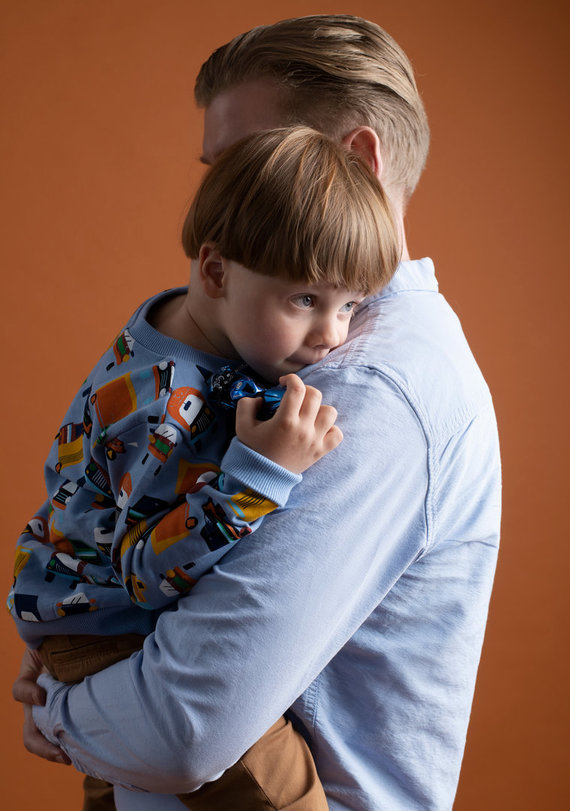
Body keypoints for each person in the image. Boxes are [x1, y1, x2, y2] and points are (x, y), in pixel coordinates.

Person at [13, 14, 501, 811]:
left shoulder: (359, 387)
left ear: (356, 165)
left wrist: (67, 711)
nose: (215, 205)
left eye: (244, 164)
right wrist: (82, 628)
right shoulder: (245, 355)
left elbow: (185, 728)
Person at [9, 125, 399, 810]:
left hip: (82, 603)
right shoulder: (169, 405)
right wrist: (259, 475)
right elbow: (144, 572)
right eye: (306, 300)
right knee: (280, 784)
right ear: (216, 272)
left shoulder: (182, 319)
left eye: (351, 305)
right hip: (106, 621)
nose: (332, 336)